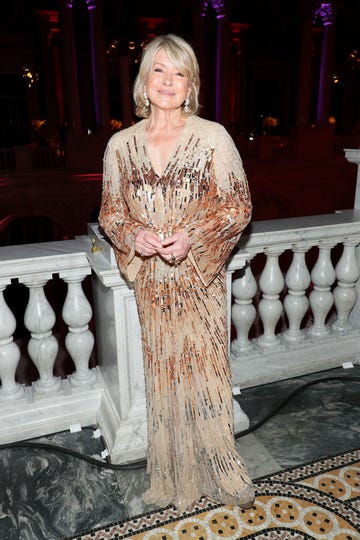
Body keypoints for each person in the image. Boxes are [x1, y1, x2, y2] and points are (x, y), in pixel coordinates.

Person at [99, 33, 254, 512]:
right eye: (158, 71)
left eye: (178, 72)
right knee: (164, 375)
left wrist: (194, 237)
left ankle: (220, 470)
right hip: (152, 282)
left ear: (191, 84)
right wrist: (134, 237)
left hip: (197, 279)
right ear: (144, 82)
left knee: (206, 375)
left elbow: (237, 206)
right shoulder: (120, 145)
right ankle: (171, 474)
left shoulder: (212, 137)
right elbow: (110, 213)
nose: (168, 81)